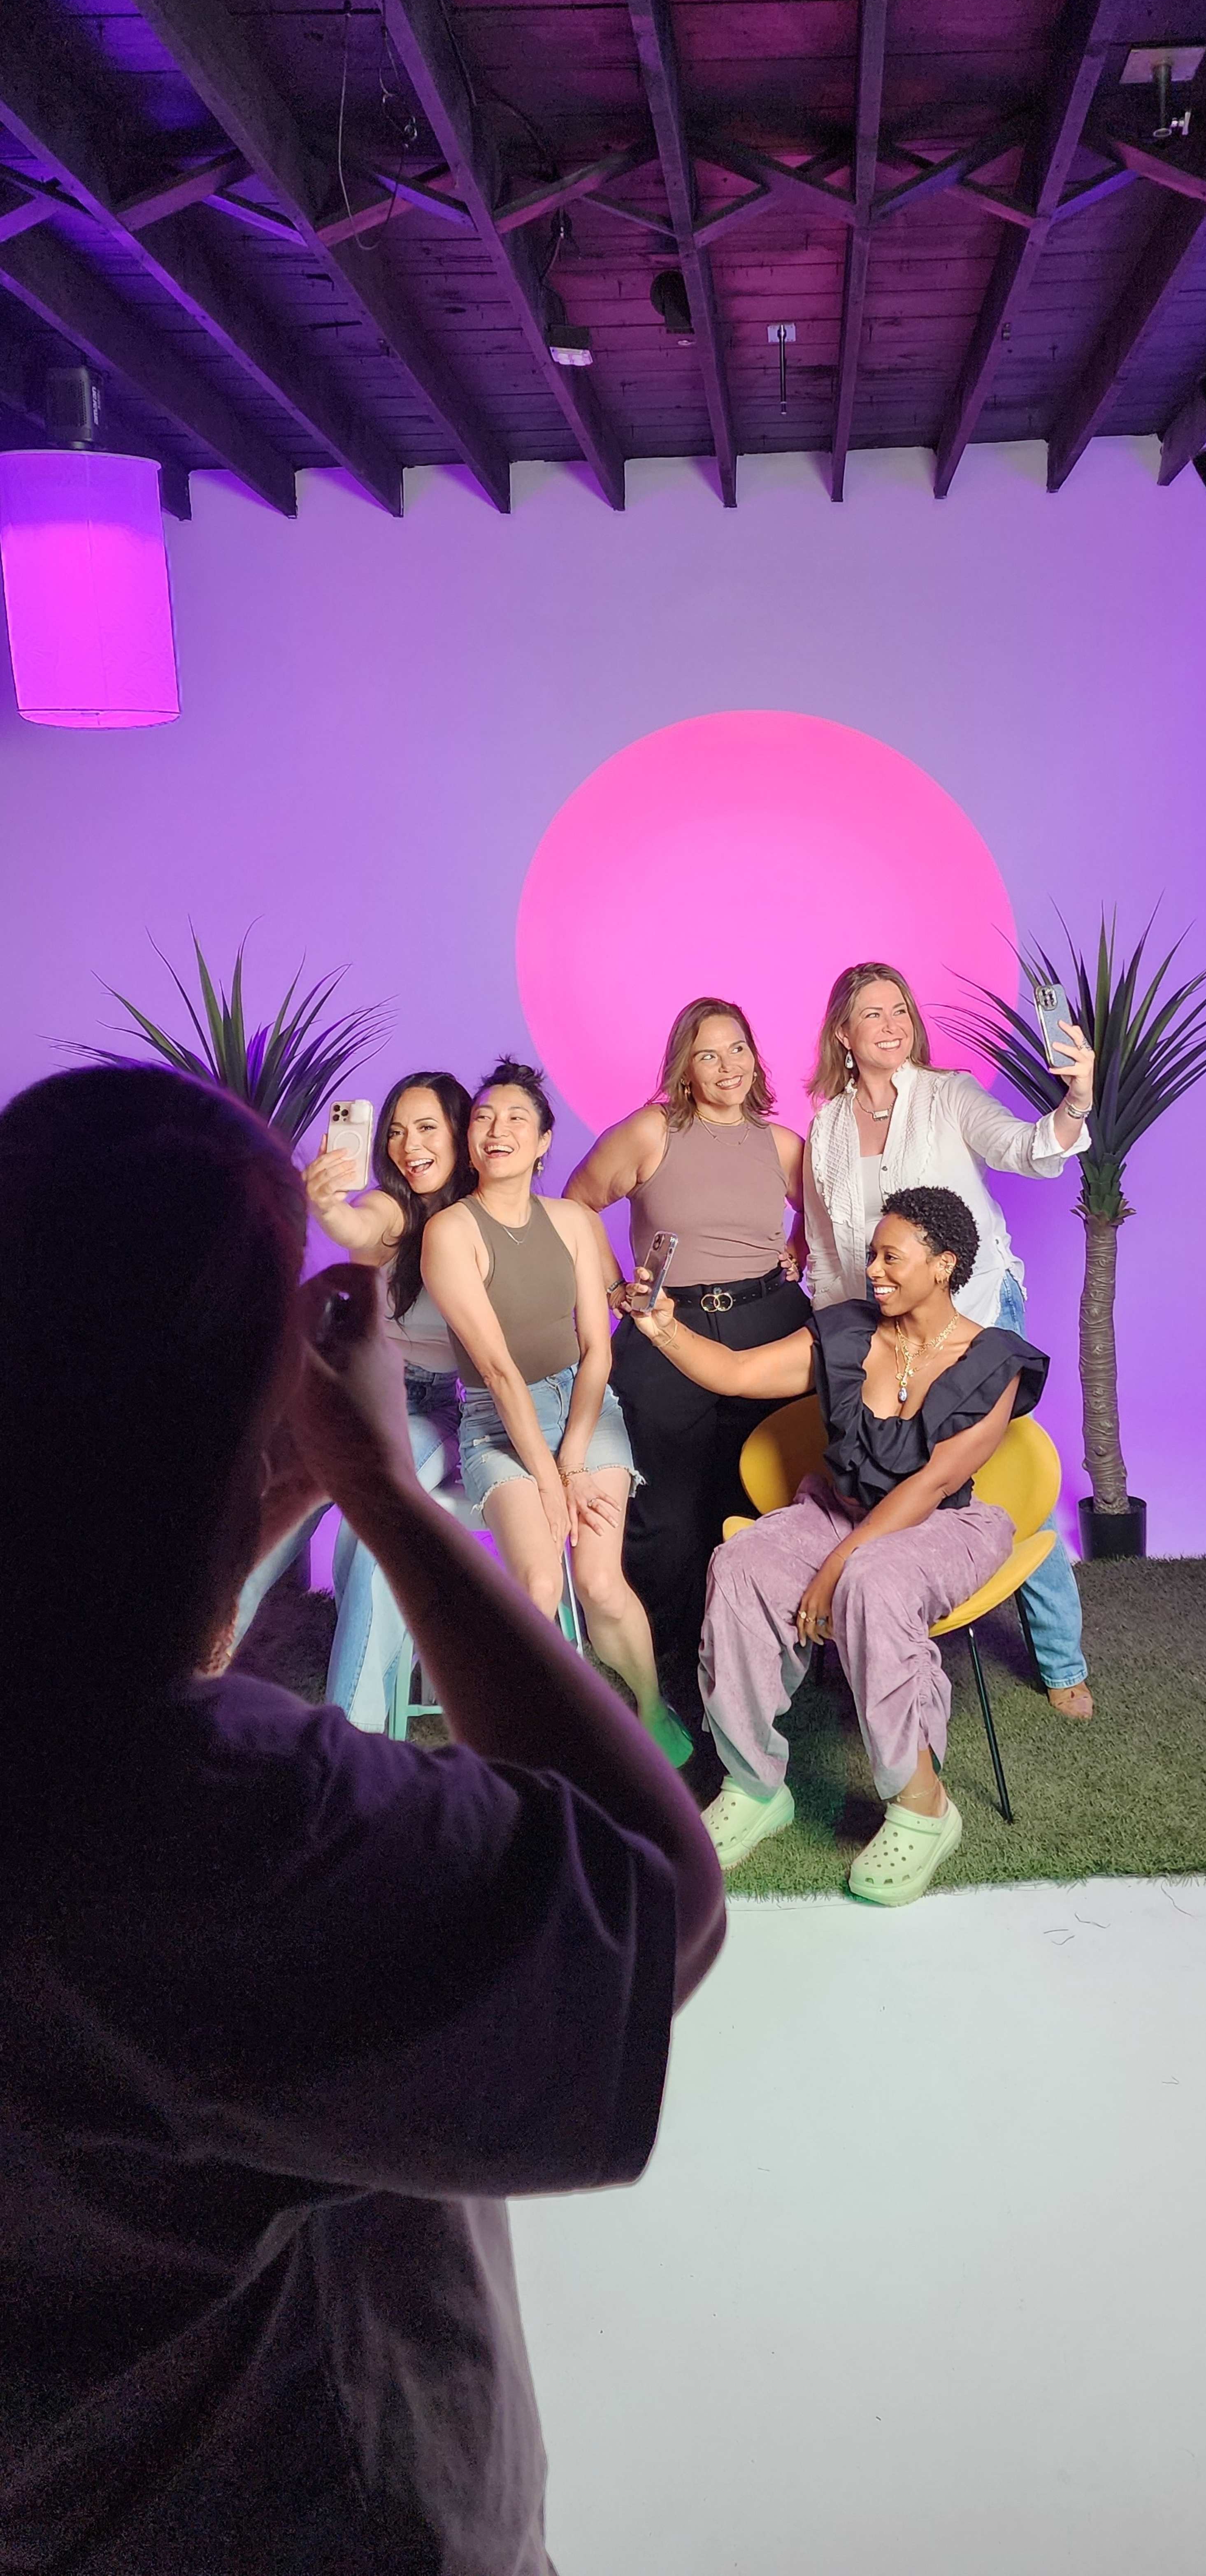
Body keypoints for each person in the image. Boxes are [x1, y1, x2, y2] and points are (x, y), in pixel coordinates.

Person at [0, 1063, 724, 2575]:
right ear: (266, 1406)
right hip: (326, 2514)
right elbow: (658, 1898)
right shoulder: (223, 1828)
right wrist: (386, 1492)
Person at [633, 1185, 1046, 1908]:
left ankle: (923, 1806)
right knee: (740, 1565)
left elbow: (933, 1483)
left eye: (894, 1256)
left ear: (945, 1264)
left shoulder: (994, 1362)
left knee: (873, 1584)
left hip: (937, 1524)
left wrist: (835, 1568)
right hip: (839, 1508)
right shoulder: (848, 1332)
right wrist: (661, 1325)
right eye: (872, 1255)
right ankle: (754, 1785)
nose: (875, 1270)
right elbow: (735, 1374)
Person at [803, 961, 1097, 1721]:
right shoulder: (828, 1126)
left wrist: (1077, 1097)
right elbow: (831, 1258)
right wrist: (838, 1352)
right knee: (882, 1476)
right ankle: (874, 1627)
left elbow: (1031, 1148)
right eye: (874, 1013)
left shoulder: (948, 1095)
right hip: (883, 1334)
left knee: (1005, 1479)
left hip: (975, 1315)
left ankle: (1061, 1657)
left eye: (901, 1009)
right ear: (844, 1033)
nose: (893, 1023)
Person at [422, 1057, 692, 1764]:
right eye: (482, 1117)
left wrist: (572, 1459)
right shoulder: (449, 1232)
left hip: (583, 1406)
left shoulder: (573, 1220)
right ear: (469, 1139)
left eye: (516, 1118)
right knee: (540, 1584)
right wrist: (547, 1479)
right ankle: (522, 1745)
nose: (496, 1128)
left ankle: (650, 1706)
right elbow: (501, 1372)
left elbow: (597, 1354)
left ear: (544, 1143)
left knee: (601, 1582)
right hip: (496, 1420)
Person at [567, 997, 809, 1729]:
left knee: (756, 1499)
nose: (728, 1067)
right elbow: (578, 1203)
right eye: (709, 1054)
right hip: (671, 1327)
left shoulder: (784, 1145)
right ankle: (661, 1661)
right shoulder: (651, 1132)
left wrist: (794, 1248)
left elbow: (825, 1217)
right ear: (684, 1065)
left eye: (738, 1050)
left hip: (769, 1324)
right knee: (666, 1512)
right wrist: (613, 1287)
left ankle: (751, 1660)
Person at [262, 1068, 473, 1728]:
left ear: (464, 1133)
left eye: (428, 1127)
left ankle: (348, 1729)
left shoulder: (486, 1217)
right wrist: (326, 1204)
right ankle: (183, 1673)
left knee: (367, 1507)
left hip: (435, 1406)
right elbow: (359, 1226)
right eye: (398, 1131)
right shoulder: (396, 1207)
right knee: (274, 1510)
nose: (410, 1145)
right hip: (361, 1389)